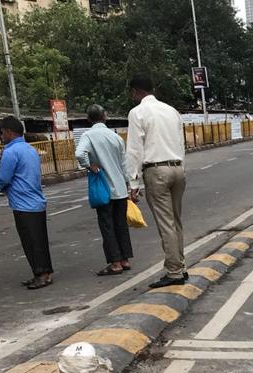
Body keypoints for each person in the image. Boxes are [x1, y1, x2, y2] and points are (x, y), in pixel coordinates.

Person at [125, 74, 187, 289]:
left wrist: (133, 184)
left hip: (157, 171)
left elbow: (134, 150)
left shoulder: (137, 113)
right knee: (176, 221)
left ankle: (175, 271)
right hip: (177, 168)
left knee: (165, 223)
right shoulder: (172, 111)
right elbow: (181, 142)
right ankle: (180, 265)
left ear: (136, 91)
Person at [75, 104, 132, 276]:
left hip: (104, 189)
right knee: (121, 224)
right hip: (120, 189)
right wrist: (129, 185)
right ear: (105, 117)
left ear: (89, 119)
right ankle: (125, 259)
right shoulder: (115, 137)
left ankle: (115, 263)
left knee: (107, 226)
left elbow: (79, 154)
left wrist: (89, 166)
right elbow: (124, 164)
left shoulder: (88, 135)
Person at [0, 116, 52, 290]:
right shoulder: (30, 149)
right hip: (36, 200)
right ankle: (44, 272)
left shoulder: (10, 152)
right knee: (40, 239)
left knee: (31, 241)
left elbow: (4, 178)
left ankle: (41, 274)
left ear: (9, 132)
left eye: (2, 132)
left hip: (22, 203)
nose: (1, 135)